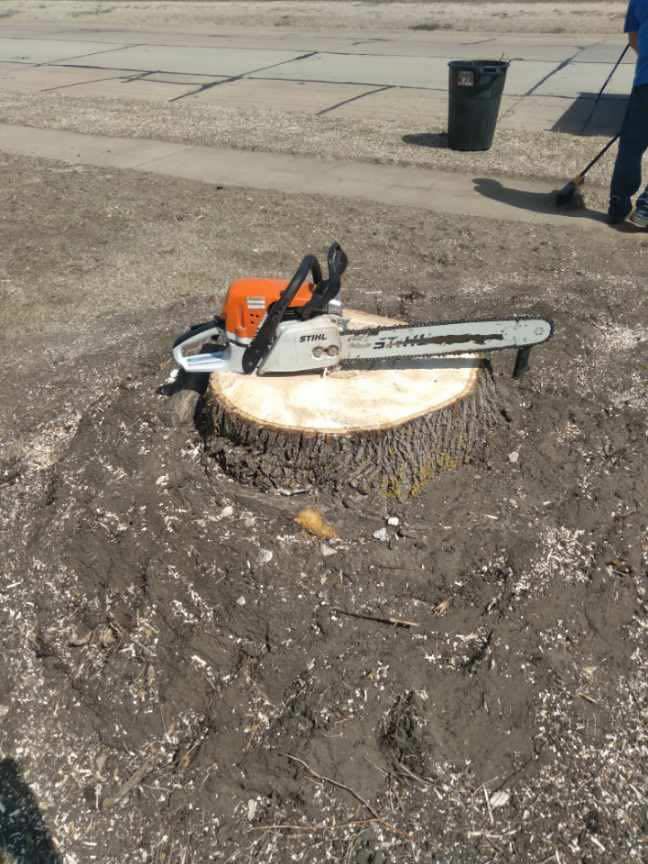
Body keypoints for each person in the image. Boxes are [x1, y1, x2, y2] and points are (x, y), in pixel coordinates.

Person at [609, 0, 648, 226]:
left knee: (631, 146)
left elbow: (633, 39)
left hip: (644, 82)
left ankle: (618, 203)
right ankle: (645, 210)